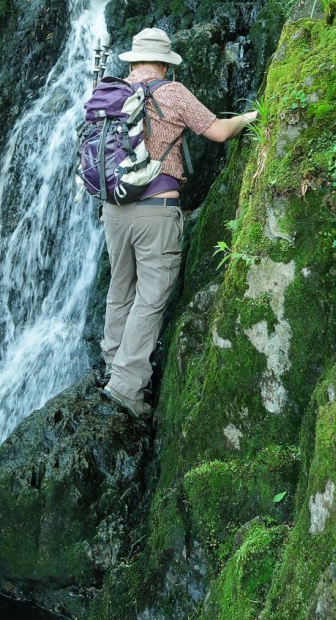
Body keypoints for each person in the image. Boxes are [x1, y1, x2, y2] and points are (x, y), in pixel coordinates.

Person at [100, 27, 258, 420]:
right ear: (165, 64)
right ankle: (125, 386)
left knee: (120, 288)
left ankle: (111, 362)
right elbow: (218, 132)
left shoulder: (111, 93)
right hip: (156, 209)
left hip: (114, 209)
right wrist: (250, 117)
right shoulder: (172, 92)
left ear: (134, 60)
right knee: (151, 296)